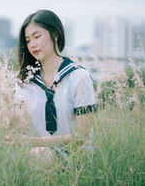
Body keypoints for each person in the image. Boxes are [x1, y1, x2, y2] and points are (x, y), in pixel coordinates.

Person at [14, 9, 97, 158]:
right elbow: (19, 129)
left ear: (56, 35)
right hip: (35, 153)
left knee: (38, 156)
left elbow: (81, 137)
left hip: (75, 155)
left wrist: (33, 142)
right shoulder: (24, 82)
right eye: (27, 41)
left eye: (37, 37)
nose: (32, 44)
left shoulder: (78, 77)